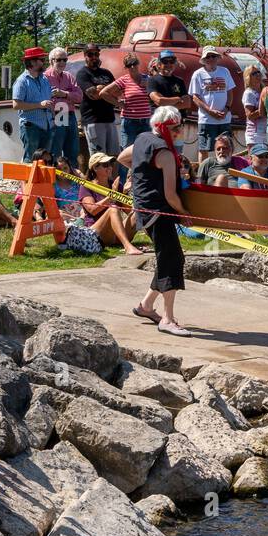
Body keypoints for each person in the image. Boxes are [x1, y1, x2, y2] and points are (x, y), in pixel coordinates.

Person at [118, 106, 191, 336]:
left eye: (180, 127)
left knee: (167, 258)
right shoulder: (165, 153)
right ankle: (167, 320)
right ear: (164, 127)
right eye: (175, 128)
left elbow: (122, 158)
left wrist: (142, 176)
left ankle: (146, 306)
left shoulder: (143, 139)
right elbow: (171, 195)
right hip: (159, 212)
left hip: (144, 210)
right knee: (172, 260)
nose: (179, 132)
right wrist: (185, 213)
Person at [79, 152, 142, 254]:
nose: (109, 167)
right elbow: (92, 210)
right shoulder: (86, 186)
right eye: (105, 165)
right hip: (96, 233)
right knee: (113, 209)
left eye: (110, 164)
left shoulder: (115, 184)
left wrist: (126, 195)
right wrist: (111, 196)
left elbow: (129, 210)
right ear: (95, 168)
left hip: (114, 235)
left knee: (138, 212)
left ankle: (157, 242)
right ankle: (127, 246)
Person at [189, 46, 235, 162]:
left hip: (224, 118)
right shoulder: (198, 74)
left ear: (217, 58)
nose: (211, 59)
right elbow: (195, 97)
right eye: (208, 56)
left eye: (213, 56)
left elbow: (230, 92)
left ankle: (224, 171)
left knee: (225, 146)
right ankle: (203, 175)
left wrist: (226, 109)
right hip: (206, 119)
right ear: (204, 59)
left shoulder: (224, 71)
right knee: (203, 148)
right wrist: (209, 111)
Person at [116, 52, 171, 147]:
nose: (133, 66)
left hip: (146, 120)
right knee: (128, 149)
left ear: (138, 63)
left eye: (134, 63)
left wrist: (148, 86)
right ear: (126, 67)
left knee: (146, 148)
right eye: (129, 65)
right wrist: (118, 103)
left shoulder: (148, 79)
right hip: (130, 121)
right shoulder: (123, 80)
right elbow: (105, 92)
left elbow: (163, 95)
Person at [75, 44, 119, 158]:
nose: (94, 57)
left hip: (110, 119)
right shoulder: (82, 73)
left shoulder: (106, 73)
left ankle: (112, 177)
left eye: (96, 54)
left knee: (113, 156)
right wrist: (108, 90)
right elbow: (93, 95)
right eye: (90, 54)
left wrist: (101, 88)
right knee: (99, 157)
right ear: (85, 56)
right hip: (93, 121)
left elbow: (118, 92)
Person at [10, 46, 54, 161]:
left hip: (47, 126)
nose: (44, 63)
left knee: (45, 161)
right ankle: (28, 180)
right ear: (33, 62)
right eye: (42, 60)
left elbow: (48, 100)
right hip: (31, 127)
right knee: (31, 160)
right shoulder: (21, 81)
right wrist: (39, 105)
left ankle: (42, 180)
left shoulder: (44, 79)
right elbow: (16, 105)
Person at [42, 46, 82, 168]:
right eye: (59, 60)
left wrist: (63, 94)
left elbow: (80, 97)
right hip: (55, 114)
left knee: (73, 151)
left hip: (69, 114)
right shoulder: (44, 78)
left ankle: (73, 183)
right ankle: (55, 182)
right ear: (51, 61)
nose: (62, 63)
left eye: (65, 60)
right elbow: (43, 99)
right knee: (56, 151)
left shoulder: (69, 76)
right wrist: (69, 95)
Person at [242, 63, 267, 150]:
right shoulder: (249, 93)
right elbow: (250, 115)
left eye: (258, 72)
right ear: (248, 77)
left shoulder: (265, 91)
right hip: (254, 134)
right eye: (254, 73)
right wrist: (264, 110)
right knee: (254, 160)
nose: (258, 75)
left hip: (266, 132)